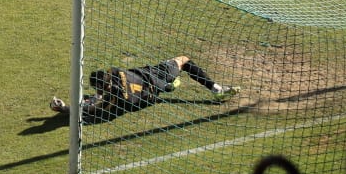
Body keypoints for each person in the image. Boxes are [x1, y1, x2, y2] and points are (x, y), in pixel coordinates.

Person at [50, 55, 234, 123]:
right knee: (183, 60)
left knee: (89, 104)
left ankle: (169, 85)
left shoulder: (111, 100)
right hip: (150, 74)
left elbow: (91, 107)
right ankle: (216, 88)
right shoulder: (114, 72)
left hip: (151, 92)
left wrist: (63, 108)